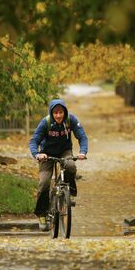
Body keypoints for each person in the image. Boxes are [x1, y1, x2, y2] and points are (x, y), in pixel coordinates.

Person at [29, 99, 88, 231]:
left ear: (65, 112)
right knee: (44, 183)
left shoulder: (71, 120)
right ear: (51, 113)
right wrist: (37, 154)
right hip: (46, 154)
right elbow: (34, 141)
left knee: (71, 166)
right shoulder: (45, 123)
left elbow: (82, 137)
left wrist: (83, 152)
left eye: (61, 112)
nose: (58, 115)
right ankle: (42, 214)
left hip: (64, 151)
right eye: (55, 113)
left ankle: (69, 192)